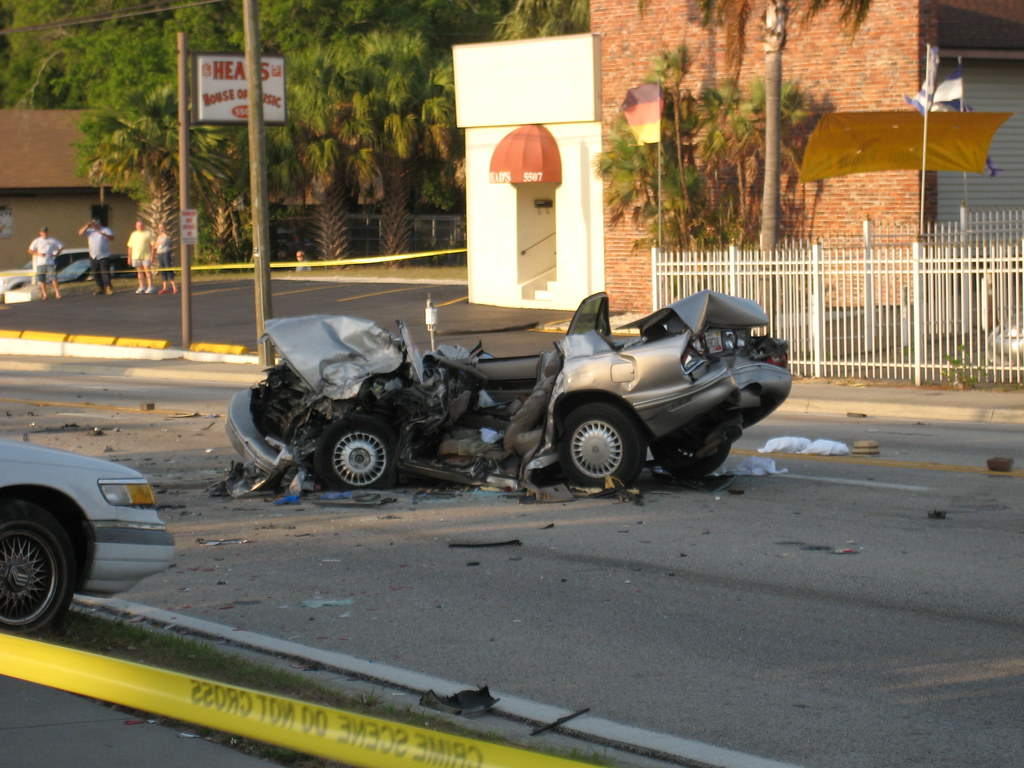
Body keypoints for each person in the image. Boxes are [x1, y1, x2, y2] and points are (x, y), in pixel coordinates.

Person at [78, 218, 115, 295]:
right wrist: (86, 226)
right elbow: (80, 233)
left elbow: (112, 238)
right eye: (93, 225)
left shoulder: (106, 229)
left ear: (99, 224)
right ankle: (99, 287)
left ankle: (108, 287)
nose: (95, 226)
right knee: (95, 273)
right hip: (93, 255)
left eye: (96, 224)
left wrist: (104, 234)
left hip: (103, 255)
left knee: (105, 272)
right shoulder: (90, 231)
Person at [27, 226, 64, 300]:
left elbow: (61, 246)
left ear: (47, 232)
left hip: (50, 262)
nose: (44, 233)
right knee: (41, 279)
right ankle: (44, 295)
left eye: (45, 232)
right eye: (43, 232)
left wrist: (56, 254)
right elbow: (30, 250)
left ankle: (57, 293)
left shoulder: (52, 240)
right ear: (40, 233)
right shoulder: (37, 241)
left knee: (53, 278)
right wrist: (38, 254)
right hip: (40, 263)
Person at [126, 219, 157, 294]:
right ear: (136, 226)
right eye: (138, 225)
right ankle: (141, 286)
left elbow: (153, 245)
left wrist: (152, 256)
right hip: (136, 256)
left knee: (147, 272)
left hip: (146, 256)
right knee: (139, 272)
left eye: (141, 225)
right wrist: (129, 257)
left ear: (144, 226)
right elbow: (130, 246)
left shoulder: (148, 233)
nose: (139, 226)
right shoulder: (133, 234)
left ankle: (150, 286)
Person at [154, 222, 178, 294]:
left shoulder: (167, 236)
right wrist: (157, 244)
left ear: (165, 227)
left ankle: (174, 287)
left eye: (162, 227)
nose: (160, 229)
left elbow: (163, 243)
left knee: (168, 269)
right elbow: (155, 246)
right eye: (159, 228)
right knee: (162, 270)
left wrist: (158, 244)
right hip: (159, 254)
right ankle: (165, 288)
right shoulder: (159, 237)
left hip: (165, 253)